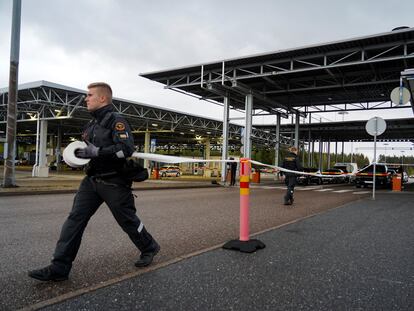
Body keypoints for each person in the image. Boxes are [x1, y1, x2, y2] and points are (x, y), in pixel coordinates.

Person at [28, 82, 160, 281]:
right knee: (74, 221)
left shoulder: (116, 121)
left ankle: (149, 246)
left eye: (89, 95)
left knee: (127, 220)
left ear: (102, 98)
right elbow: (88, 152)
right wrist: (80, 155)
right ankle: (59, 268)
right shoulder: (90, 125)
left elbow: (126, 148)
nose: (85, 99)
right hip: (91, 181)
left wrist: (98, 152)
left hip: (114, 181)